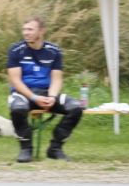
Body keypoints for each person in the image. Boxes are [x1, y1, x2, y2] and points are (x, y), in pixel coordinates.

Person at [6, 16, 83, 162]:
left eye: (30, 29)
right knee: (17, 108)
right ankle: (26, 149)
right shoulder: (16, 50)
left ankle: (55, 148)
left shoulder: (54, 51)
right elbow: (15, 81)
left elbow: (57, 78)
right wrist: (34, 98)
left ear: (41, 31)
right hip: (24, 94)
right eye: (24, 29)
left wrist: (52, 97)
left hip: (47, 93)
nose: (26, 33)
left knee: (75, 107)